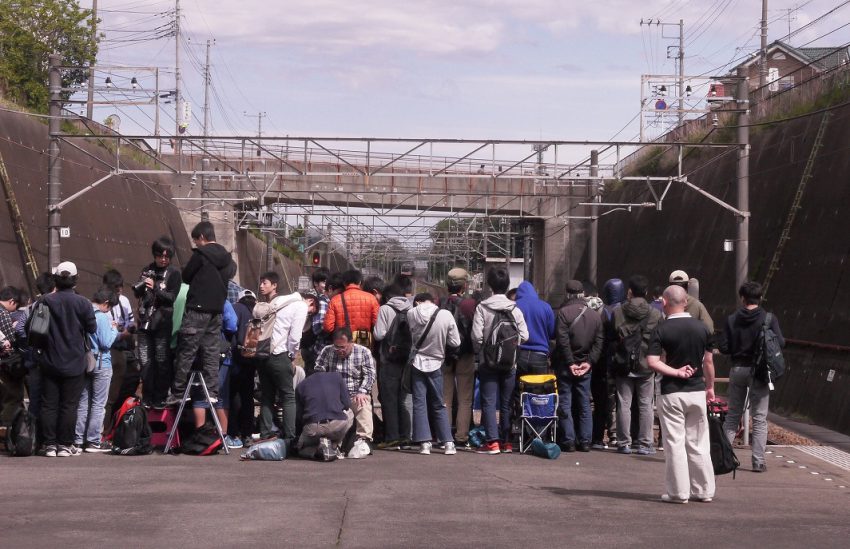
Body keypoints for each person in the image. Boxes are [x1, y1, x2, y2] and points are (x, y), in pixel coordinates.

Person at [647, 285, 715, 504]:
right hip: (696, 391)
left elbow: (652, 361)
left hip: (672, 392)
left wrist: (675, 371)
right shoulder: (703, 328)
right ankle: (704, 490)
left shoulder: (661, 329)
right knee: (699, 443)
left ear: (664, 303)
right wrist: (710, 387)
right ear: (686, 301)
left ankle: (678, 493)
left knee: (675, 443)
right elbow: (709, 361)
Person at [167, 221, 237, 407]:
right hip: (216, 311)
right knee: (211, 352)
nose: (196, 244)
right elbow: (230, 274)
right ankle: (212, 392)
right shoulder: (227, 258)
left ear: (202, 238)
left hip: (197, 309)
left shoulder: (201, 254)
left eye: (196, 241)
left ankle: (178, 392)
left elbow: (187, 276)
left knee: (186, 351)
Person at [720, 281, 784, 473]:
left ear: (742, 298)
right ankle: (758, 462)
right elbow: (780, 342)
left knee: (732, 416)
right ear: (760, 297)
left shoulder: (731, 319)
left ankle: (723, 458)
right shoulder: (769, 318)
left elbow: (724, 347)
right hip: (760, 373)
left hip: (738, 369)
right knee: (759, 418)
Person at [37, 262, 97, 457]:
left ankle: (49, 444)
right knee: (69, 404)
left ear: (56, 280)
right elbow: (92, 328)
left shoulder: (46, 301)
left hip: (50, 358)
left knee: (49, 404)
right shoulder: (83, 303)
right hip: (74, 361)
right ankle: (65, 444)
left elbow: (36, 328)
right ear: (75, 280)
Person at [472, 267, 528, 454]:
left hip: (488, 362)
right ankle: (507, 442)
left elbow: (476, 336)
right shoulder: (515, 308)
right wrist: (511, 346)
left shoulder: (482, 307)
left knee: (489, 402)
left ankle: (492, 442)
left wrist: (484, 350)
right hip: (509, 362)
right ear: (507, 286)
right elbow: (525, 336)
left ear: (489, 285)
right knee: (506, 402)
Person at [254, 271, 308, 442]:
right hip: (280, 354)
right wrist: (292, 354)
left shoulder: (271, 304)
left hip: (262, 355)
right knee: (288, 396)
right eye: (261, 283)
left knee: (267, 396)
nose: (261, 286)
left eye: (265, 283)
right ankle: (290, 436)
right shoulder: (299, 306)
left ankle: (265, 433)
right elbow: (295, 336)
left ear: (275, 285)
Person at [612, 275, 663, 455]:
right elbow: (659, 339)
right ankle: (645, 443)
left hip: (624, 362)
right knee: (645, 404)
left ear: (630, 292)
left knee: (623, 403)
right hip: (646, 363)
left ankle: (624, 442)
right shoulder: (655, 314)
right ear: (647, 292)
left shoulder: (618, 312)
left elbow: (615, 335)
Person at [553, 280, 603, 452]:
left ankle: (569, 440)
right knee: (584, 403)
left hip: (566, 366)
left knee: (565, 402)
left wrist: (570, 363)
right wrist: (588, 363)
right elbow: (599, 342)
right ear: (583, 294)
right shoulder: (594, 315)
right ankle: (586, 441)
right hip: (586, 366)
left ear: (567, 294)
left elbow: (562, 341)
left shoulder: (563, 313)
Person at [407, 293, 460, 455]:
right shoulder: (445, 315)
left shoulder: (411, 313)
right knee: (439, 403)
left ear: (418, 301)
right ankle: (448, 442)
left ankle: (424, 443)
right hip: (437, 362)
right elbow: (455, 342)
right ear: (434, 300)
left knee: (419, 403)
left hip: (417, 362)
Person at [133, 236, 182, 408]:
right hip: (145, 321)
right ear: (154, 255)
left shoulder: (174, 274)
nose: (163, 259)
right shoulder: (148, 270)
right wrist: (142, 287)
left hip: (162, 323)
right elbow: (139, 294)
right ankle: (147, 395)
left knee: (162, 360)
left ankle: (160, 396)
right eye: (160, 256)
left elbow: (171, 298)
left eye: (167, 256)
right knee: (145, 360)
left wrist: (155, 287)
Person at [314, 327, 376, 457]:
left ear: (351, 343)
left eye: (343, 347)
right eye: (337, 347)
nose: (340, 350)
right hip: (335, 396)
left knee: (363, 404)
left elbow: (370, 374)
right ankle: (333, 443)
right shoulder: (327, 351)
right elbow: (319, 371)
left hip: (355, 394)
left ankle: (363, 440)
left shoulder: (364, 352)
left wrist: (363, 391)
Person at [74, 287, 118, 452]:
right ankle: (93, 440)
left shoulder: (82, 313)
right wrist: (114, 329)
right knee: (99, 404)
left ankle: (78, 440)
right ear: (106, 303)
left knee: (83, 403)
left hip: (84, 362)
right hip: (101, 363)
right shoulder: (101, 317)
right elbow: (106, 343)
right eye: (110, 307)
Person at [440, 268, 477, 449]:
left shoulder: (440, 303)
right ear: (465, 285)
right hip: (466, 355)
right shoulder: (470, 305)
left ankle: (445, 435)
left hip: (444, 355)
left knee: (445, 397)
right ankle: (461, 436)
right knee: (465, 397)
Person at [373, 283, 413, 448]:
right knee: (404, 398)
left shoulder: (385, 309)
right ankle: (407, 435)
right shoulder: (411, 309)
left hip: (389, 360)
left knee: (389, 399)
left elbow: (379, 334)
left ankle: (392, 437)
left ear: (387, 297)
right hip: (406, 359)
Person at [101, 269, 139, 432]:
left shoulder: (124, 301)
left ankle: (120, 426)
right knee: (110, 394)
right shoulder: (103, 303)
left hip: (127, 349)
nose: (119, 290)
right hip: (111, 350)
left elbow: (130, 323)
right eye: (116, 287)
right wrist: (120, 332)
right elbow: (108, 332)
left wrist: (127, 329)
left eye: (120, 286)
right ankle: (106, 430)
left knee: (128, 387)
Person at [592, 277, 625, 449]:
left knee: (602, 401)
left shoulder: (601, 312)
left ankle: (599, 436)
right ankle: (620, 435)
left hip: (602, 362)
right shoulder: (625, 311)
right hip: (624, 362)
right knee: (624, 401)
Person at [295, 370, 353, 460]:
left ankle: (318, 451)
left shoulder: (300, 386)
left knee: (300, 449)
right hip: (337, 424)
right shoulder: (337, 376)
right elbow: (347, 404)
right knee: (350, 413)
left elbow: (299, 417)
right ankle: (335, 446)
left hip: (314, 428)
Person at [228, 289, 258, 448]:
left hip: (234, 356)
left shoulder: (235, 307)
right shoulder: (257, 310)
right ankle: (247, 433)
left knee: (232, 395)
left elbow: (230, 326)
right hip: (251, 357)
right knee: (248, 396)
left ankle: (233, 432)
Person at [322, 269, 379, 348]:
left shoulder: (335, 300)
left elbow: (328, 327)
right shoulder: (371, 298)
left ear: (344, 283)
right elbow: (377, 324)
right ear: (360, 282)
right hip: (364, 342)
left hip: (343, 343)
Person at [0, 286, 23, 435]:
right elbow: (11, 339)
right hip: (5, 363)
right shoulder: (3, 313)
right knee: (12, 396)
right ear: (11, 301)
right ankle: (5, 431)